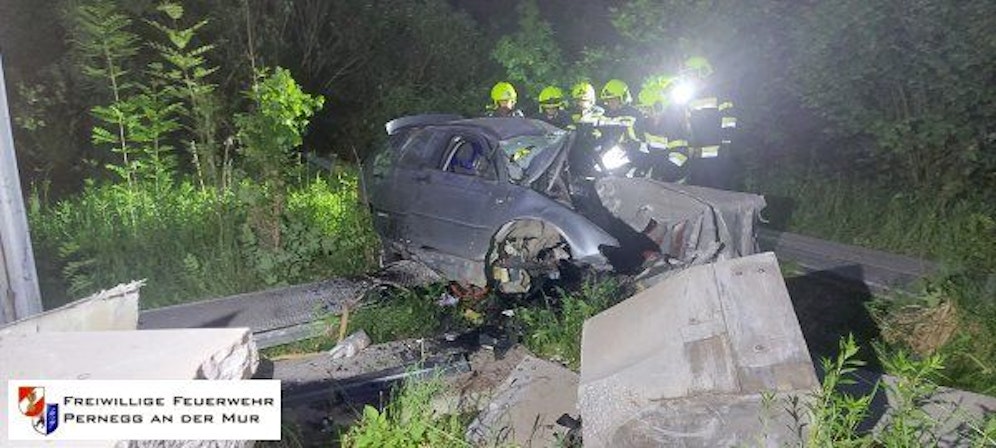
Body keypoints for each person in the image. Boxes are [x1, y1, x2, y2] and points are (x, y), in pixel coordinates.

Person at [680, 56, 737, 189]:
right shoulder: (690, 98)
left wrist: (726, 144)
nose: (688, 78)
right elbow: (687, 126)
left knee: (719, 194)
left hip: (718, 156)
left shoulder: (720, 93)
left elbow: (729, 119)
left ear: (702, 72)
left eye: (690, 74)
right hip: (697, 157)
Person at [636, 75, 689, 182]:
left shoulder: (673, 125)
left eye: (648, 108)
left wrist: (661, 174)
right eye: (645, 108)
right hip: (656, 178)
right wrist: (639, 169)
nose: (646, 112)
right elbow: (644, 152)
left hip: (676, 179)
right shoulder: (646, 125)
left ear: (658, 107)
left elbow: (679, 156)